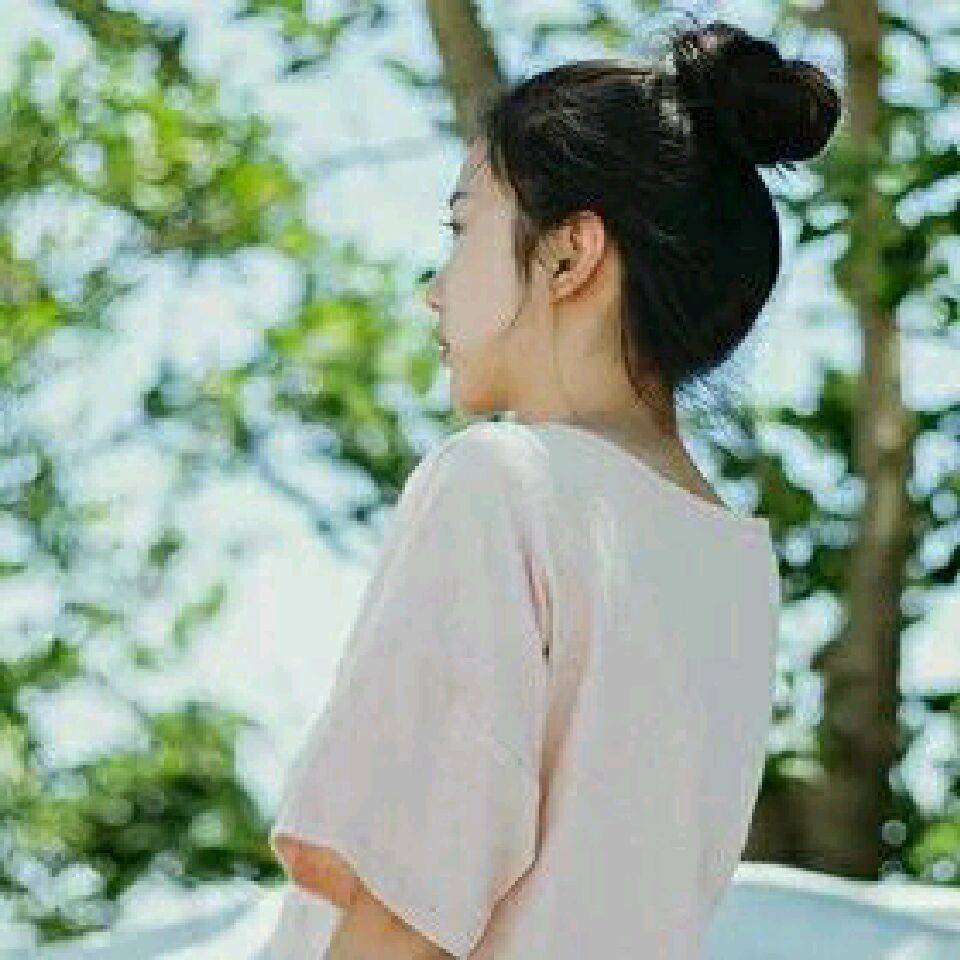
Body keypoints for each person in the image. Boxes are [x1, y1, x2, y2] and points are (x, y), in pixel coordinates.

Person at [267, 17, 840, 960]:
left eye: (462, 229)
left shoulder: (501, 483)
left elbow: (407, 913)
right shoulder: (734, 563)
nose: (434, 288)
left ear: (570, 253)